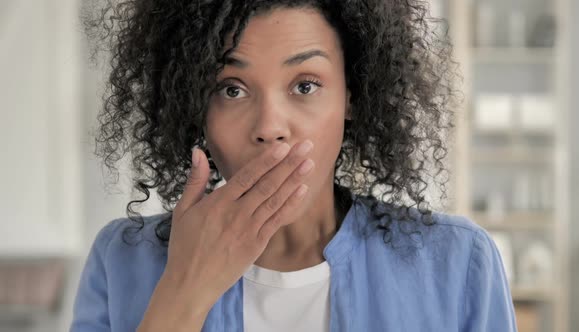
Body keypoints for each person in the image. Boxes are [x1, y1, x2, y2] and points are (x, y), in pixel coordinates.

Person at [71, 0, 517, 331]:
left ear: (352, 96)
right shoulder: (122, 259)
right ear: (195, 106)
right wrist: (184, 292)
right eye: (231, 89)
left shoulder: (457, 264)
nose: (270, 127)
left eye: (305, 85)